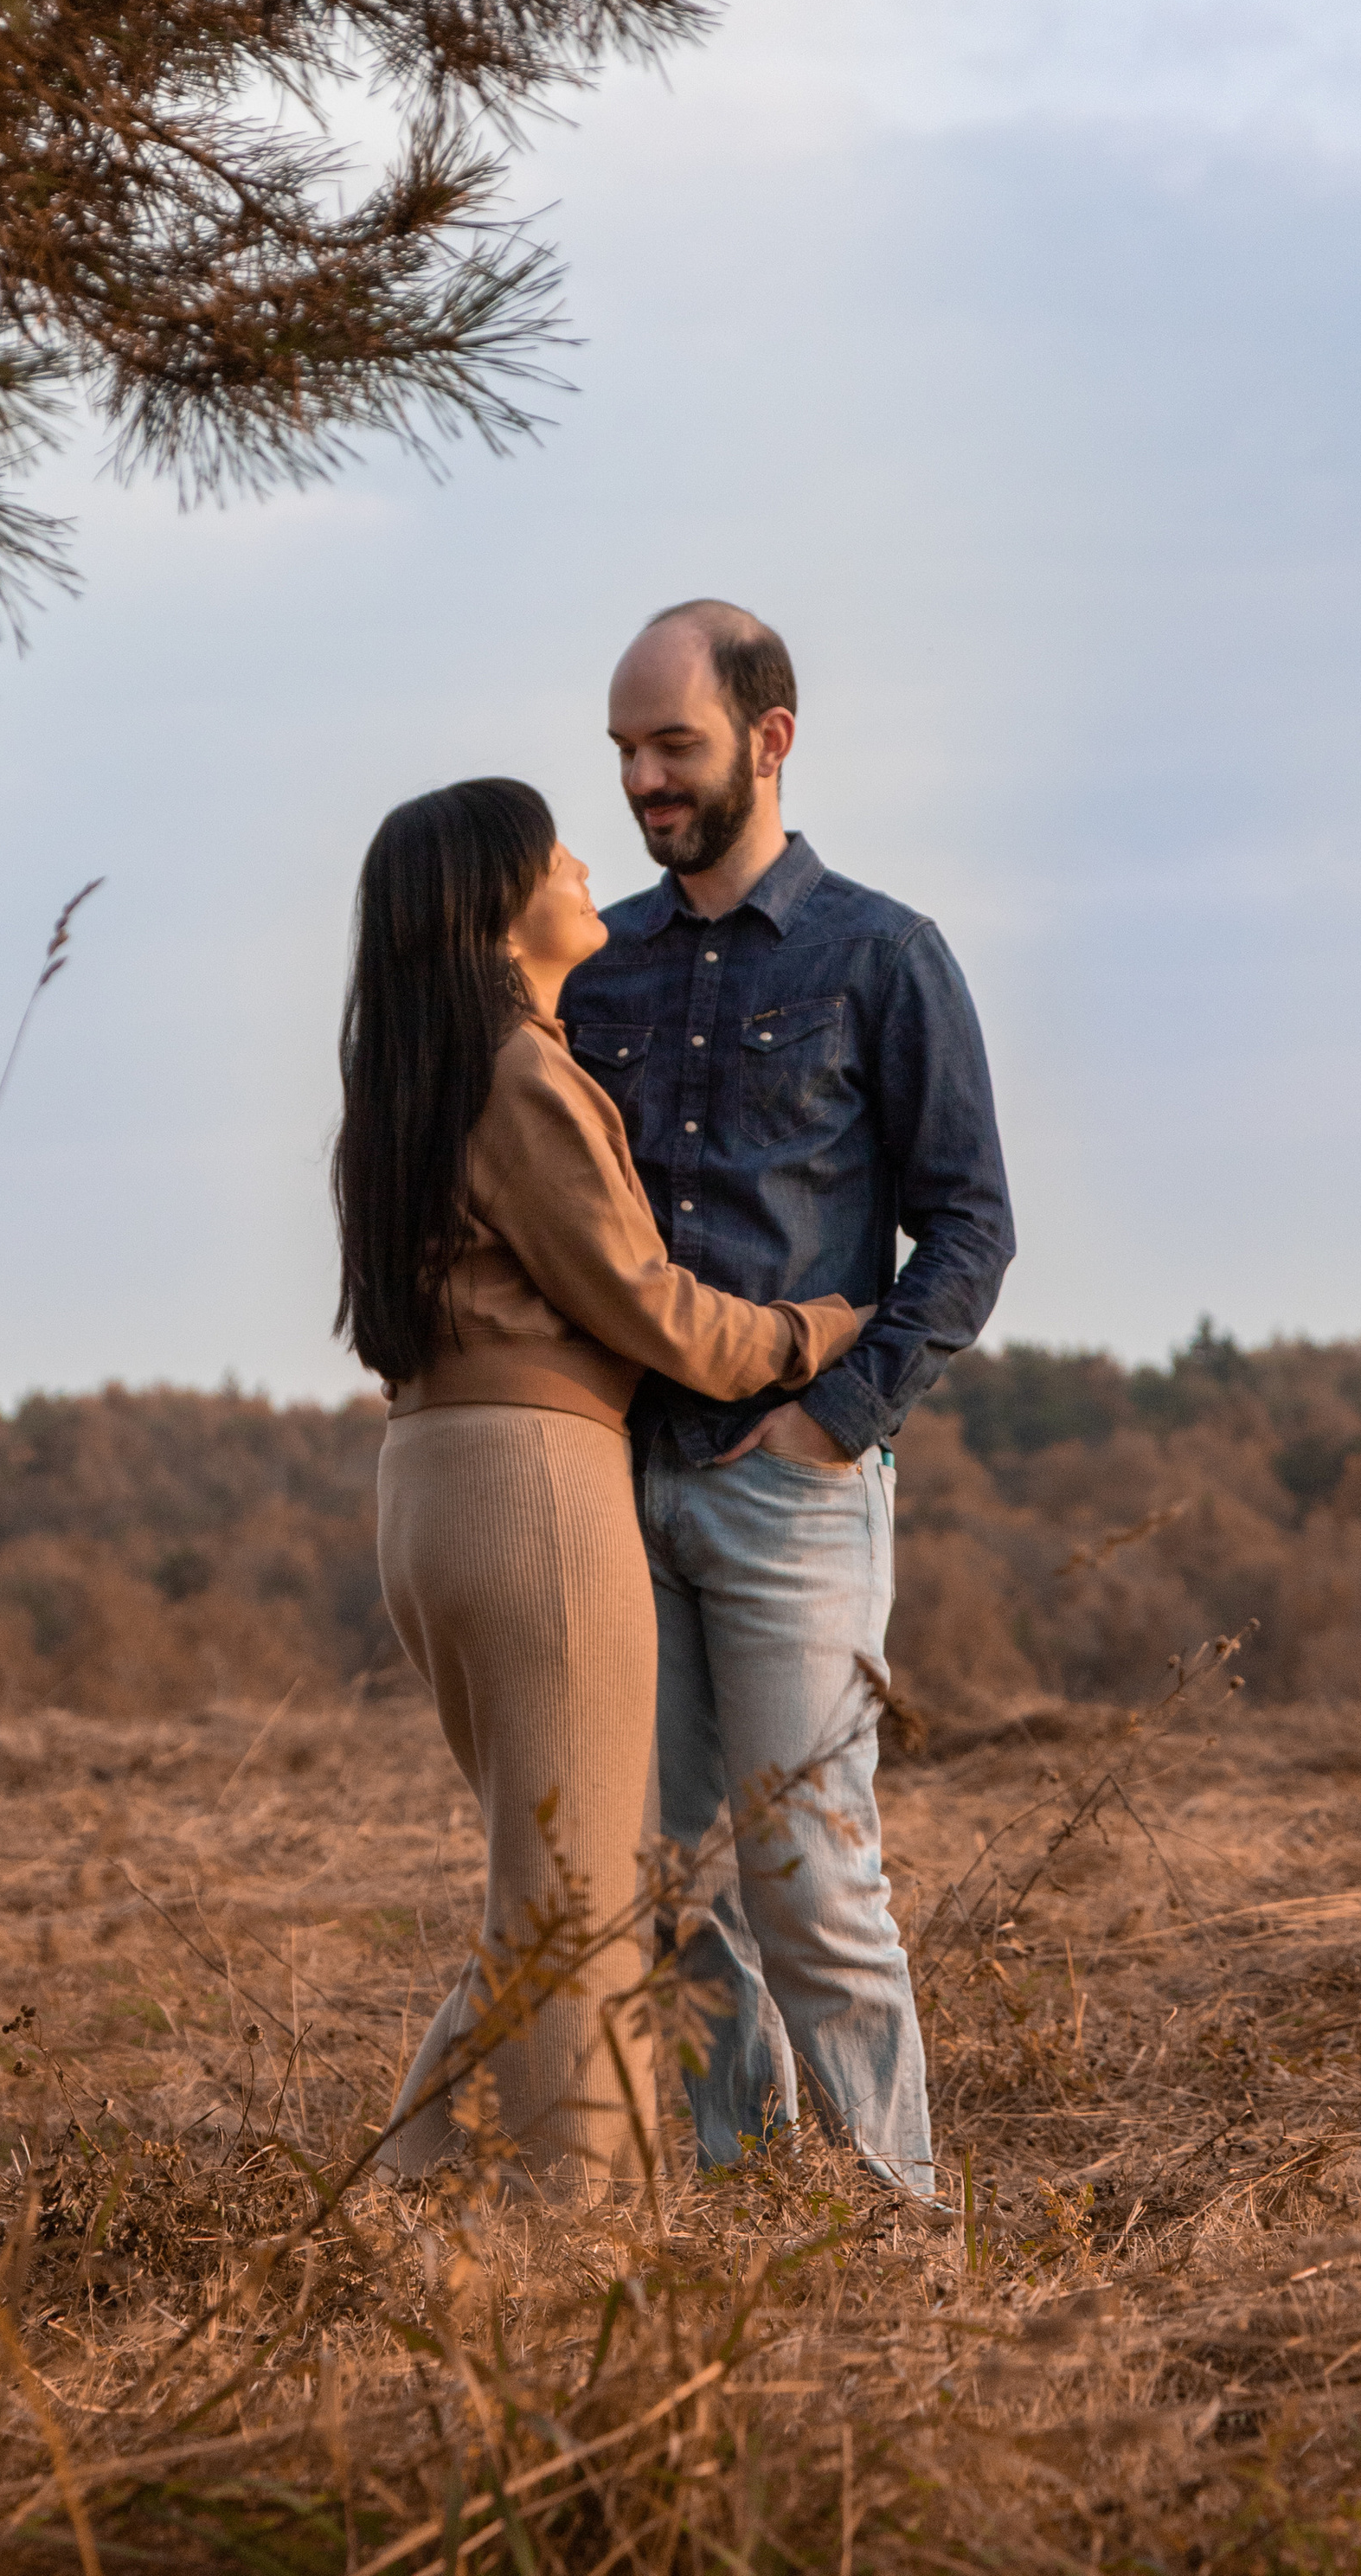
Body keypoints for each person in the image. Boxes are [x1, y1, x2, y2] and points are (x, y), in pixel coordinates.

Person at [333, 776, 866, 2199]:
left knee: (550, 1881)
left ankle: (399, 2216)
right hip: (535, 1494)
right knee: (588, 1897)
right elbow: (650, 1307)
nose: (583, 861)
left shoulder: (419, 1084)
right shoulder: (520, 1077)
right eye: (550, 847)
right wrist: (822, 1332)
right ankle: (577, 2245)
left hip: (432, 1484)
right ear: (495, 906)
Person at [561, 602, 1014, 2195]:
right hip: (622, 1484)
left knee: (812, 1882)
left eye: (671, 745)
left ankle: (903, 2242)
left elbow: (969, 1228)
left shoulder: (881, 954)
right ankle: (752, 2233)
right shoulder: (595, 971)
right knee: (674, 1890)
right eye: (622, 750)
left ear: (771, 736)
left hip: (792, 1490)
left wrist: (841, 1417)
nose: (642, 779)